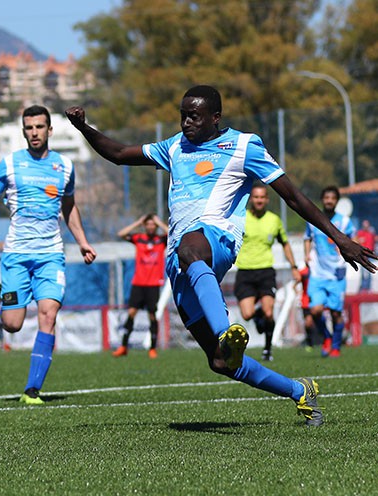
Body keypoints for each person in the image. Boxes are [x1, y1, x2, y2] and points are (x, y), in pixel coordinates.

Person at [66, 85, 376, 427]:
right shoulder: (174, 147)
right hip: (180, 261)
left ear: (216, 117)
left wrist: (339, 238)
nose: (186, 122)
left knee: (190, 246)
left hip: (217, 240)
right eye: (182, 115)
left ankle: (227, 329)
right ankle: (299, 390)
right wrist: (84, 128)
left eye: (194, 116)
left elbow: (294, 197)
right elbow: (120, 153)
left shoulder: (245, 146)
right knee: (221, 362)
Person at [0, 105, 97, 405]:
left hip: (50, 254)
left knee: (48, 314)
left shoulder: (65, 167)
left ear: (49, 130)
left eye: (39, 127)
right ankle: (5, 292)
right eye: (29, 128)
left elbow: (69, 207)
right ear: (23, 131)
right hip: (17, 253)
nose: (34, 133)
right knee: (13, 324)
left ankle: (33, 390)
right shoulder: (10, 164)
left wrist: (82, 241)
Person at [234, 184, 301, 362]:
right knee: (247, 314)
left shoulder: (274, 220)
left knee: (269, 312)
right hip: (245, 272)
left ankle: (267, 349)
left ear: (267, 199)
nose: (259, 200)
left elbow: (285, 243)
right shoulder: (241, 218)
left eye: (262, 197)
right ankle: (258, 319)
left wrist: (294, 267)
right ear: (251, 199)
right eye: (256, 197)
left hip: (265, 272)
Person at [304, 186, 356, 358]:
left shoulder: (345, 221)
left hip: (337, 274)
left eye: (332, 198)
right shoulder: (313, 219)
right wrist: (306, 255)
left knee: (336, 313)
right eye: (326, 197)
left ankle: (335, 346)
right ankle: (326, 338)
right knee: (316, 310)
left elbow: (352, 240)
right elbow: (307, 238)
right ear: (322, 199)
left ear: (337, 201)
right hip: (318, 274)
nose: (329, 200)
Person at [112, 213, 168, 359]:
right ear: (145, 225)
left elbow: (172, 233)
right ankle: (123, 346)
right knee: (131, 313)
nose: (150, 227)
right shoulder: (139, 239)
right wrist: (138, 221)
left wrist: (159, 222)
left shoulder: (161, 240)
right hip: (138, 283)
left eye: (153, 224)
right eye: (148, 224)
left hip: (153, 284)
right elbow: (121, 234)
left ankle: (152, 348)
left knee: (152, 315)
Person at [298, 265, 320, 351]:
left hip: (316, 300)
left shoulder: (318, 270)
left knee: (317, 321)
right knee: (308, 323)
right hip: (306, 302)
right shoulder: (304, 272)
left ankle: (323, 340)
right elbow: (297, 279)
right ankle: (310, 342)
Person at [355, 219, 377, 292]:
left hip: (369, 255)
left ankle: (368, 287)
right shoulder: (360, 233)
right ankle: (363, 287)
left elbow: (375, 240)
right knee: (363, 272)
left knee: (369, 271)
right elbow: (356, 241)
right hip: (363, 255)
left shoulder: (371, 233)